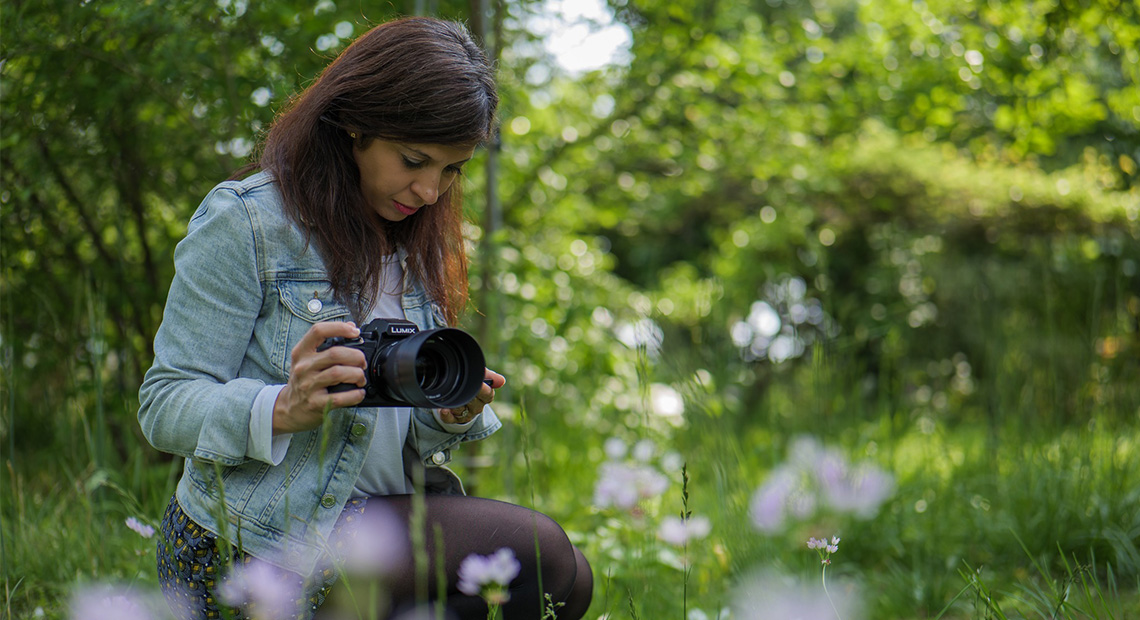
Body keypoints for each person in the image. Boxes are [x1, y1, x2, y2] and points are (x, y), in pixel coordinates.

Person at [138, 17, 592, 620]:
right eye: (414, 160)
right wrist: (281, 406)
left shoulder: (414, 242)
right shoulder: (248, 222)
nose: (431, 191)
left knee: (568, 584)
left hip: (375, 519)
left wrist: (444, 414)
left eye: (451, 170)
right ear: (355, 124)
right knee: (546, 556)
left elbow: (387, 429)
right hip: (253, 540)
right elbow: (165, 403)